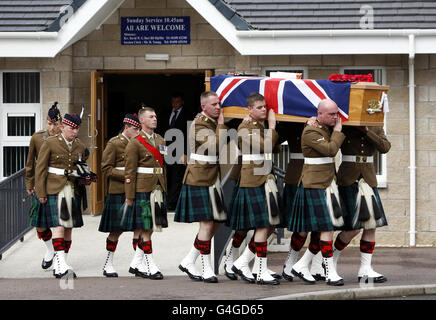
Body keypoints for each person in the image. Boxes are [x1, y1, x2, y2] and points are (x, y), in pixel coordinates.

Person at [311, 125, 391, 283]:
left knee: (371, 225)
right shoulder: (344, 126)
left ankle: (365, 268)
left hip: (368, 177)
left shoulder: (376, 126)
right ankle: (330, 259)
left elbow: (385, 147)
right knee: (351, 228)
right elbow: (330, 147)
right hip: (348, 178)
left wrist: (367, 131)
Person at [288, 99, 346, 286]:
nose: (335, 117)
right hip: (314, 184)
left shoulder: (322, 126)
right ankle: (329, 272)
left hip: (326, 184)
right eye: (331, 114)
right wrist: (337, 131)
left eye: (336, 113)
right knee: (326, 228)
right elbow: (330, 150)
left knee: (324, 229)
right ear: (319, 114)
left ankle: (303, 265)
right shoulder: (311, 130)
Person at [228, 93, 282, 285]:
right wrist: (273, 127)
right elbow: (266, 146)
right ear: (249, 109)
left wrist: (270, 129)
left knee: (270, 224)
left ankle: (244, 263)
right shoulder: (244, 127)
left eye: (265, 106)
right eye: (259, 107)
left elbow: (273, 148)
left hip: (265, 178)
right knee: (263, 225)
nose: (264, 110)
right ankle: (259, 270)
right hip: (253, 180)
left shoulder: (259, 126)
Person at [175, 91, 228, 283]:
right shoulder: (200, 123)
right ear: (203, 107)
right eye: (214, 104)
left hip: (212, 176)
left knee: (218, 221)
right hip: (199, 177)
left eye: (219, 104)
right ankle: (206, 267)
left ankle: (190, 259)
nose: (218, 107)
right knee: (206, 223)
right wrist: (222, 123)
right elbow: (214, 147)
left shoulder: (212, 122)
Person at [35, 112, 94, 278]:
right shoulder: (50, 143)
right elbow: (40, 169)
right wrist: (41, 192)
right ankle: (60, 265)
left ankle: (62, 261)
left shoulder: (80, 146)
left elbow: (81, 167)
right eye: (71, 128)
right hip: (54, 188)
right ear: (63, 127)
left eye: (77, 128)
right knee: (59, 226)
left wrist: (87, 177)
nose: (74, 131)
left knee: (68, 229)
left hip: (72, 190)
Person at [122, 107, 168, 280]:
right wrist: (129, 196)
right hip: (142, 189)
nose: (155, 118)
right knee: (147, 228)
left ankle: (136, 263)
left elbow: (163, 166)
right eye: (151, 116)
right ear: (142, 121)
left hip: (157, 188)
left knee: (152, 227)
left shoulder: (160, 139)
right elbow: (130, 172)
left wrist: (164, 187)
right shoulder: (135, 142)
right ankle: (150, 265)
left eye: (155, 116)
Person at [98, 113, 141, 277]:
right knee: (116, 230)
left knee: (140, 228)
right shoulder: (114, 143)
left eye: (139, 129)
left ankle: (138, 263)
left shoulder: (140, 143)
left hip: (137, 191)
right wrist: (128, 175)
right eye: (135, 129)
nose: (138, 132)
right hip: (119, 192)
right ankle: (108, 263)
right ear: (127, 127)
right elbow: (106, 168)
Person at [26, 102, 62, 270]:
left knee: (58, 224)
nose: (52, 127)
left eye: (55, 124)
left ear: (60, 123)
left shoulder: (66, 137)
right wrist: (29, 183)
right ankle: (50, 250)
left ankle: (59, 258)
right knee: (39, 223)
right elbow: (30, 163)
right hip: (41, 183)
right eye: (49, 123)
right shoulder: (37, 137)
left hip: (58, 184)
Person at [160, 92, 193, 211]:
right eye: (173, 102)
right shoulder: (165, 114)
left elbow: (189, 135)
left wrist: (186, 153)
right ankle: (168, 201)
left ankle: (173, 204)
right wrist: (162, 151)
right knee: (166, 176)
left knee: (177, 178)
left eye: (177, 102)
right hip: (167, 151)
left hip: (180, 152)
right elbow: (163, 134)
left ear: (182, 102)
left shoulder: (188, 115)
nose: (175, 104)